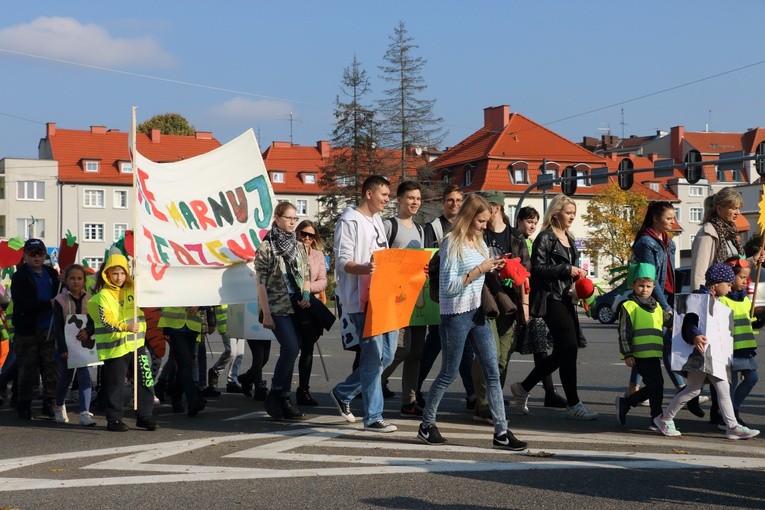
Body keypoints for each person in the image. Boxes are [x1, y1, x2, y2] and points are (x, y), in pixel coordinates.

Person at [417, 193, 527, 450]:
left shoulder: (479, 242)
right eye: (480, 221)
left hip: (478, 313)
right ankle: (426, 424)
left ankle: (501, 431)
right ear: (468, 217)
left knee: (492, 371)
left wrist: (495, 267)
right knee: (448, 373)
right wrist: (481, 269)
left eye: (487, 221)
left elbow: (479, 276)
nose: (484, 226)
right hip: (455, 316)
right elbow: (450, 287)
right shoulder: (451, 244)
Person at [510, 194, 598, 420]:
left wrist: (578, 275)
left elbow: (568, 268)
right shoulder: (545, 237)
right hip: (550, 298)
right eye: (568, 213)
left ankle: (523, 387)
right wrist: (565, 269)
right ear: (556, 212)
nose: (571, 217)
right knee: (569, 348)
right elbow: (537, 269)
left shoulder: (569, 236)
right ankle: (574, 403)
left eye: (573, 214)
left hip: (568, 297)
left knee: (564, 351)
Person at [653, 263, 759, 440]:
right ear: (716, 283)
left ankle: (731, 426)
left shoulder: (714, 300)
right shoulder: (699, 299)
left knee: (704, 389)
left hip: (710, 355)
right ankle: (665, 418)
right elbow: (689, 322)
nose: (730, 287)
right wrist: (695, 336)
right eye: (728, 283)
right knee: (697, 389)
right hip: (700, 354)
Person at [689, 188, 765, 427]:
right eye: (733, 208)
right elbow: (700, 273)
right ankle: (719, 410)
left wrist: (753, 260)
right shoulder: (709, 233)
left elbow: (735, 267)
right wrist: (703, 303)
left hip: (732, 301)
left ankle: (721, 411)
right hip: (716, 303)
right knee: (724, 366)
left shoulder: (731, 233)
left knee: (727, 367)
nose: (737, 212)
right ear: (719, 208)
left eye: (739, 208)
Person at [330, 175, 399, 432]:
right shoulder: (349, 221)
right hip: (361, 299)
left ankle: (343, 392)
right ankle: (373, 417)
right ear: (369, 194)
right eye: (384, 194)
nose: (387, 199)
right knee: (372, 357)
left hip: (383, 296)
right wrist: (365, 268)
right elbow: (342, 262)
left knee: (388, 355)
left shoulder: (377, 220)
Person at [630, 201, 704, 417]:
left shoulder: (667, 242)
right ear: (655, 218)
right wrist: (664, 307)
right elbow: (650, 280)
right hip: (654, 299)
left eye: (674, 217)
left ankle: (631, 394)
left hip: (670, 297)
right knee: (666, 346)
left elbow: (671, 273)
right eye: (669, 217)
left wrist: (674, 302)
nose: (673, 221)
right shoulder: (646, 242)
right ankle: (683, 388)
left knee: (650, 348)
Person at [470, 191, 534, 423]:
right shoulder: (479, 234)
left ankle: (490, 401)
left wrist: (524, 304)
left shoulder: (516, 237)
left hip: (510, 304)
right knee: (490, 353)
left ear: (495, 208)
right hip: (484, 301)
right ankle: (484, 403)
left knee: (503, 357)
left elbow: (526, 273)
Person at [418, 185, 476, 411]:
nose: (454, 204)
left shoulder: (468, 227)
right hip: (440, 295)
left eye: (458, 200)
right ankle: (415, 388)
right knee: (433, 346)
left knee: (461, 348)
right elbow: (427, 258)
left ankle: (472, 393)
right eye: (450, 200)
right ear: (443, 202)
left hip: (463, 296)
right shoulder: (433, 228)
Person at [255, 201, 312, 420]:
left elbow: (305, 274)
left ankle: (284, 398)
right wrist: (266, 312)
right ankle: (276, 393)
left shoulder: (298, 246)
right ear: (277, 218)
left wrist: (306, 296)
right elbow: (260, 282)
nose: (292, 222)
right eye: (288, 217)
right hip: (276, 304)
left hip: (296, 304)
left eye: (294, 218)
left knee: (294, 349)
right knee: (291, 347)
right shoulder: (267, 246)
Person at [87, 253, 155, 432]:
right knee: (115, 384)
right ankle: (114, 419)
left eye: (123, 273)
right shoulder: (103, 296)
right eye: (115, 273)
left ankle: (145, 416)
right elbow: (106, 321)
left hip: (136, 345)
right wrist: (126, 327)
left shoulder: (134, 290)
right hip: (115, 347)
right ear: (106, 274)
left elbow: (151, 284)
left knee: (145, 380)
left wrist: (138, 266)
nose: (119, 277)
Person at [380, 181, 427, 418]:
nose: (415, 202)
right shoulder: (389, 226)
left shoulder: (420, 230)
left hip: (418, 299)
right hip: (395, 298)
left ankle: (409, 401)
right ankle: (372, 381)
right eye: (410, 198)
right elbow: (379, 260)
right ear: (399, 200)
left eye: (418, 198)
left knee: (416, 352)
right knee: (400, 350)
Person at [513, 206, 566, 408]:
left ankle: (549, 392)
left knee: (540, 348)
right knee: (506, 350)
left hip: (533, 301)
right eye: (528, 221)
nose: (532, 226)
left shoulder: (531, 241)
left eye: (535, 222)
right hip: (519, 302)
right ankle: (492, 393)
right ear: (518, 221)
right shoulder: (516, 239)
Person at [11, 239, 59, 420]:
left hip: (50, 329)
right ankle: (24, 405)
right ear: (25, 255)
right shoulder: (20, 276)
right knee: (27, 370)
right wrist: (48, 304)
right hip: (28, 331)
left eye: (39, 253)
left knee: (51, 369)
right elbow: (23, 304)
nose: (36, 257)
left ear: (45, 253)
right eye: (31, 253)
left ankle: (50, 403)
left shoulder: (52, 273)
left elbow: (60, 295)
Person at [615, 262, 666, 428]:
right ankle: (656, 417)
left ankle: (627, 402)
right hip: (639, 354)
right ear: (633, 285)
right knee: (656, 385)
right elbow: (624, 332)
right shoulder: (629, 306)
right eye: (641, 285)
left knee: (655, 385)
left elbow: (665, 324)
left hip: (654, 354)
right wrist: (628, 354)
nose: (645, 289)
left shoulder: (657, 307)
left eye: (649, 286)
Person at [52, 264, 97, 426]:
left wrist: (89, 331)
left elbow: (94, 321)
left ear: (85, 281)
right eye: (72, 278)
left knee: (85, 376)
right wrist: (63, 348)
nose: (76, 281)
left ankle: (85, 413)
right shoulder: (60, 300)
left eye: (79, 278)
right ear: (65, 280)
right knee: (65, 377)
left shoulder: (91, 299)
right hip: (65, 346)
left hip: (85, 345)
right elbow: (57, 326)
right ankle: (59, 405)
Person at [719, 257, 759, 426]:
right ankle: (729, 417)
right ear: (730, 277)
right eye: (742, 277)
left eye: (747, 277)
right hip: (730, 350)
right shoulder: (723, 300)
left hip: (745, 349)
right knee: (731, 385)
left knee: (752, 378)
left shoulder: (746, 300)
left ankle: (731, 411)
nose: (746, 281)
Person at [294, 219, 328, 406]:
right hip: (293, 304)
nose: (307, 238)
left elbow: (323, 281)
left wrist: (308, 290)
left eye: (311, 235)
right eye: (303, 234)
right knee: (291, 348)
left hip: (310, 305)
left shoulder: (318, 255)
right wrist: (300, 292)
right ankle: (281, 389)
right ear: (297, 233)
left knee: (308, 349)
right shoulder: (289, 252)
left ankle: (303, 390)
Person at [158, 306, 207, 417]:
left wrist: (199, 306)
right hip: (174, 326)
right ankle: (193, 400)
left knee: (185, 364)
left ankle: (176, 398)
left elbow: (209, 298)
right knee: (185, 363)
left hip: (191, 326)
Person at [206, 305, 244, 394]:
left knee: (239, 354)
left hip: (239, 320)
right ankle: (215, 371)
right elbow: (211, 305)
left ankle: (232, 381)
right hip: (225, 322)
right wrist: (211, 323)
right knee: (231, 352)